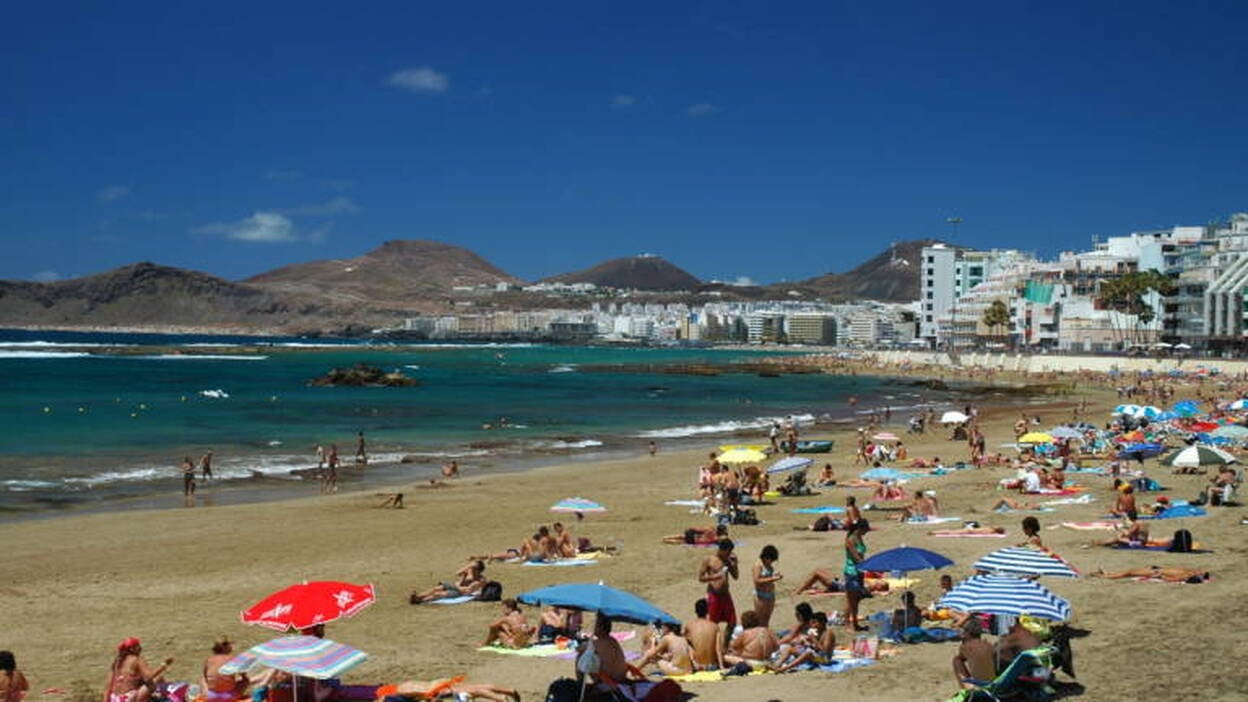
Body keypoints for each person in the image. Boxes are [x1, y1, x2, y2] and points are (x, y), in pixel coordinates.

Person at [698, 538, 739, 647]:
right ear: (721, 550)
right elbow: (700, 578)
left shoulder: (727, 561)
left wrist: (735, 564)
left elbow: (735, 576)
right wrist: (714, 577)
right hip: (714, 595)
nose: (729, 554)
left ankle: (725, 646)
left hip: (725, 595)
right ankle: (711, 646)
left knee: (732, 622)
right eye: (728, 552)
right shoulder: (709, 560)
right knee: (713, 624)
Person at [103, 638, 172, 702]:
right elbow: (149, 676)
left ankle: (156, 696)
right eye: (138, 646)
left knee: (142, 682)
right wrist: (164, 665)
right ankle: (164, 698)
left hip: (115, 699)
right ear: (132, 649)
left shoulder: (117, 662)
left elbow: (108, 686)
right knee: (158, 678)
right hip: (128, 699)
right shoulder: (136, 660)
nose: (140, 648)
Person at [769, 612, 835, 673]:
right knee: (791, 649)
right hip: (817, 655)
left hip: (824, 660)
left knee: (808, 654)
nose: (813, 625)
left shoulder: (828, 633)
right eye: (812, 623)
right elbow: (816, 647)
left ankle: (785, 668)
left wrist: (813, 639)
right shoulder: (818, 631)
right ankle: (777, 665)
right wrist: (808, 643)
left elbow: (824, 650)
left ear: (822, 622)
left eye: (815, 623)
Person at [411, 560, 487, 603]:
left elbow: (466, 591)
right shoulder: (470, 572)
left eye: (474, 568)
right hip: (455, 586)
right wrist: (468, 566)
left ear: (478, 570)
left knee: (438, 594)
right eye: (472, 567)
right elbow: (458, 573)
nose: (471, 569)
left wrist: (458, 585)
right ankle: (418, 597)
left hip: (459, 592)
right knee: (435, 589)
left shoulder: (480, 580)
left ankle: (420, 601)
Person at [842, 519, 870, 631]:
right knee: (850, 600)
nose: (866, 532)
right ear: (859, 529)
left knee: (857, 599)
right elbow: (856, 557)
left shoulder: (859, 538)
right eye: (865, 530)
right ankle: (846, 623)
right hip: (851, 571)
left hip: (859, 571)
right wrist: (868, 565)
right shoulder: (850, 540)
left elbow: (861, 555)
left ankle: (855, 622)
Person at [585, 615, 630, 683]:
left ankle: (580, 684)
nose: (593, 627)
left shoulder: (598, 643)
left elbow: (579, 649)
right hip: (621, 677)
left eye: (595, 625)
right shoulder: (612, 640)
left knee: (583, 657)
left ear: (602, 628)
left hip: (611, 681)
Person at [952, 619, 996, 689]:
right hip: (993, 684)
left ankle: (967, 688)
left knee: (956, 660)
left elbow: (961, 657)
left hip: (977, 688)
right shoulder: (988, 644)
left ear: (967, 633)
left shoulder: (965, 647)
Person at [201, 637, 247, 702]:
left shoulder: (209, 660)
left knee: (202, 678)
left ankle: (206, 694)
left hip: (210, 697)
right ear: (226, 647)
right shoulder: (233, 659)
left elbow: (205, 676)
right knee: (245, 681)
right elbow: (243, 675)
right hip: (229, 696)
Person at [684, 599, 724, 670]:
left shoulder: (689, 626)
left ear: (696, 611)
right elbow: (718, 649)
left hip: (696, 666)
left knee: (687, 643)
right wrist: (721, 666)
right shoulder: (715, 627)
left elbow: (684, 645)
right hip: (711, 666)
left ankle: (693, 662)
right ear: (707, 611)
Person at [752, 545, 783, 628]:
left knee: (767, 619)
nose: (771, 562)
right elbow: (757, 580)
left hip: (770, 595)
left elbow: (768, 577)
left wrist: (774, 575)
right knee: (760, 620)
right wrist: (773, 578)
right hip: (760, 595)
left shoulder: (768, 565)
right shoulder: (758, 565)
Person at [1092, 566, 1211, 583]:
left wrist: (1159, 576)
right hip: (1157, 569)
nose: (1200, 570)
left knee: (1129, 572)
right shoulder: (1189, 571)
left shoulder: (1186, 576)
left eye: (1201, 572)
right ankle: (1107, 574)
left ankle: (1105, 576)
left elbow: (1171, 580)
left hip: (1156, 572)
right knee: (1130, 571)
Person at [663, 523, 728, 546]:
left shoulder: (711, 529)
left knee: (682, 536)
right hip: (696, 540)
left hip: (694, 535)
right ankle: (666, 541)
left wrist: (691, 529)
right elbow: (722, 541)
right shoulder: (717, 538)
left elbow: (699, 529)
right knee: (681, 542)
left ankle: (666, 537)